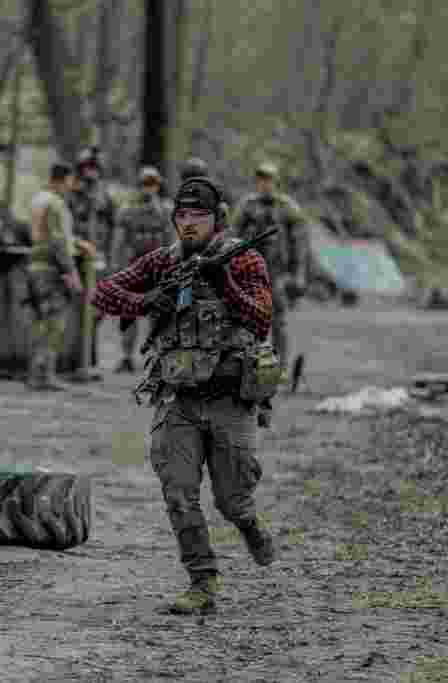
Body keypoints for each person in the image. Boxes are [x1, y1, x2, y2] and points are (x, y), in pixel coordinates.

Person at [92, 176, 280, 615]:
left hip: (231, 398)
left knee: (232, 501)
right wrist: (147, 301)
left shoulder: (244, 259)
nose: (189, 224)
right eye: (182, 217)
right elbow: (102, 292)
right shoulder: (163, 261)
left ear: (218, 220)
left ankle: (249, 525)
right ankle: (202, 581)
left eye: (199, 216)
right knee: (178, 492)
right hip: (178, 400)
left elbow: (261, 319)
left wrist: (226, 284)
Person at [232, 162, 308, 423]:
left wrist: (297, 275)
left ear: (276, 181)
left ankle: (283, 368)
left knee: (279, 321)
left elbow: (299, 244)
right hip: (251, 271)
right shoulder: (247, 206)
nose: (264, 183)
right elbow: (233, 238)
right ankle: (253, 370)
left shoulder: (288, 208)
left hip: (278, 273)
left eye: (269, 179)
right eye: (260, 178)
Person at [109, 166, 174, 373]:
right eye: (146, 183)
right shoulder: (127, 210)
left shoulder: (166, 209)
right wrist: (116, 267)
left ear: (158, 185)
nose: (149, 188)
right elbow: (118, 242)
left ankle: (157, 357)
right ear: (139, 185)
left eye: (153, 184)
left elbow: (171, 241)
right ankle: (127, 357)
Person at [26, 162, 84, 391]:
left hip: (35, 266)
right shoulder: (56, 203)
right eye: (70, 180)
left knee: (40, 321)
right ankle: (46, 375)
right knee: (55, 323)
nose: (72, 185)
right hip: (52, 269)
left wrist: (77, 242)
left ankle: (34, 373)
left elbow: (44, 234)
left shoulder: (38, 199)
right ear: (63, 179)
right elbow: (58, 242)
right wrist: (71, 272)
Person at [67, 146, 116, 381]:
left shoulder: (104, 195)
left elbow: (113, 224)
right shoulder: (71, 193)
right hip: (76, 256)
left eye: (94, 168)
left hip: (98, 258)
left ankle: (90, 359)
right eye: (87, 168)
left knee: (97, 310)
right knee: (78, 309)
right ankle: (77, 360)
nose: (91, 173)